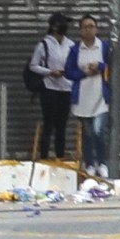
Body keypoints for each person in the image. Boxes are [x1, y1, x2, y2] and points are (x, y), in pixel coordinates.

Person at [64, 14, 112, 178]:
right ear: (80, 30)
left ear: (96, 29)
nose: (88, 29)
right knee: (88, 133)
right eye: (85, 26)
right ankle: (89, 162)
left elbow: (112, 66)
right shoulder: (75, 50)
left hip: (100, 97)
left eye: (91, 26)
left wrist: (100, 66)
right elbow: (69, 72)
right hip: (83, 98)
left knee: (99, 131)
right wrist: (84, 72)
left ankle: (102, 162)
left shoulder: (104, 47)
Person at [28, 13, 75, 160]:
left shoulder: (71, 44)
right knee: (49, 124)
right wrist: (49, 72)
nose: (65, 27)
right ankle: (44, 158)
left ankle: (60, 157)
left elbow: (75, 64)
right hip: (49, 88)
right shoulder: (43, 45)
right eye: (62, 24)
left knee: (62, 126)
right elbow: (33, 66)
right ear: (54, 26)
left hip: (66, 88)